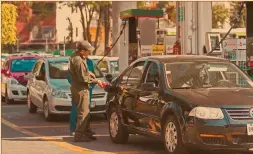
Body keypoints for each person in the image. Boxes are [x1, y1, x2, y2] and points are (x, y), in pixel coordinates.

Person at [69, 40, 103, 142]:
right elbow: (83, 78)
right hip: (81, 89)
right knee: (82, 113)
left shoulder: (78, 57)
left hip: (80, 88)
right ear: (82, 51)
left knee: (86, 111)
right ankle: (79, 135)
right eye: (88, 51)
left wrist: (89, 72)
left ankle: (86, 132)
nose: (90, 53)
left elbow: (83, 71)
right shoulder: (78, 60)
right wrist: (96, 81)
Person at [68, 57, 95, 136]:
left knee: (86, 110)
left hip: (87, 90)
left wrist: (91, 84)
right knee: (75, 109)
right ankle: (74, 129)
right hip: (78, 90)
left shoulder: (90, 62)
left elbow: (92, 75)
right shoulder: (75, 61)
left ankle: (86, 129)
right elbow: (70, 77)